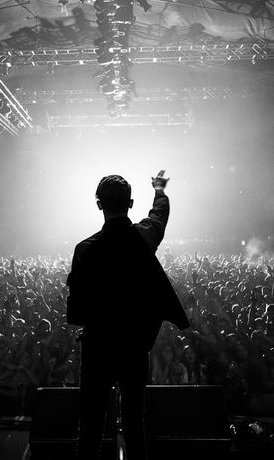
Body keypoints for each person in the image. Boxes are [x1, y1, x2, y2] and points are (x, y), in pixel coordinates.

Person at [66, 171, 190, 460]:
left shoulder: (85, 249)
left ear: (99, 205)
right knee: (135, 423)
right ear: (131, 203)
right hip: (135, 345)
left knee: (91, 427)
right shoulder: (143, 237)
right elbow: (160, 215)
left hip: (97, 347)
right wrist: (159, 190)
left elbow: (76, 312)